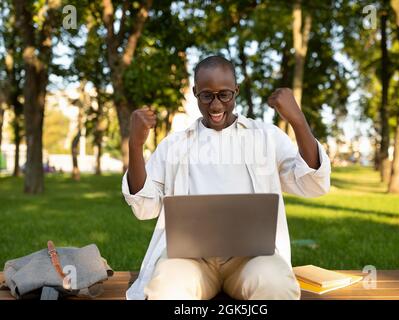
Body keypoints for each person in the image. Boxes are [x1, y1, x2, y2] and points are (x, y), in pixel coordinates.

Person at [122, 55, 331, 300]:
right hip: (189, 260)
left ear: (236, 91)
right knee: (167, 289)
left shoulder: (265, 137)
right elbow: (144, 206)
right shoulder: (175, 145)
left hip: (252, 259)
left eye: (225, 94)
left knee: (276, 286)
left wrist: (298, 120)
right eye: (207, 95)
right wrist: (135, 146)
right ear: (195, 93)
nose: (216, 105)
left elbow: (312, 183)